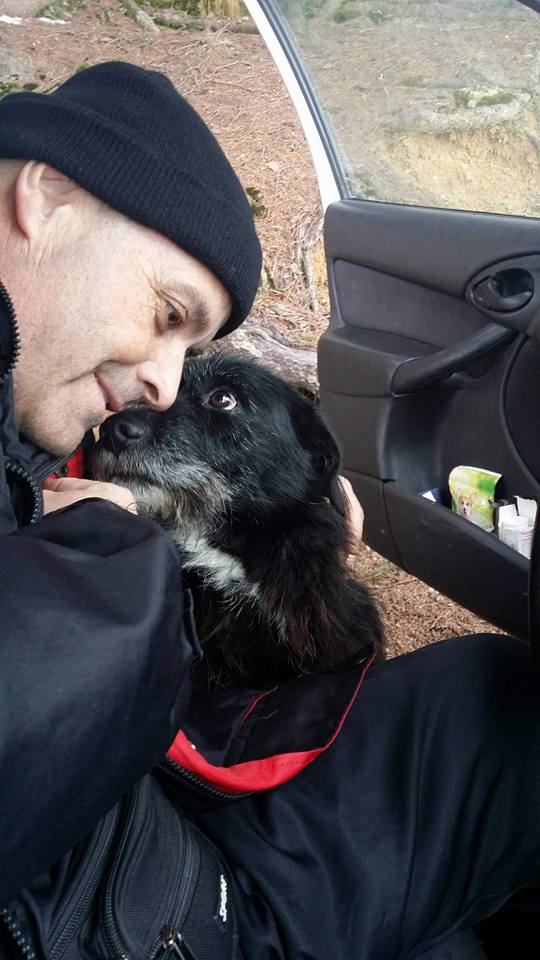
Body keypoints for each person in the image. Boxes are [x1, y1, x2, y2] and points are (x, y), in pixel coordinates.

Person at [0, 61, 539, 960]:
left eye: (196, 360)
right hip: (139, 894)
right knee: (507, 717)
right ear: (46, 195)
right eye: (167, 311)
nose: (158, 386)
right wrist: (104, 546)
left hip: (136, 840)